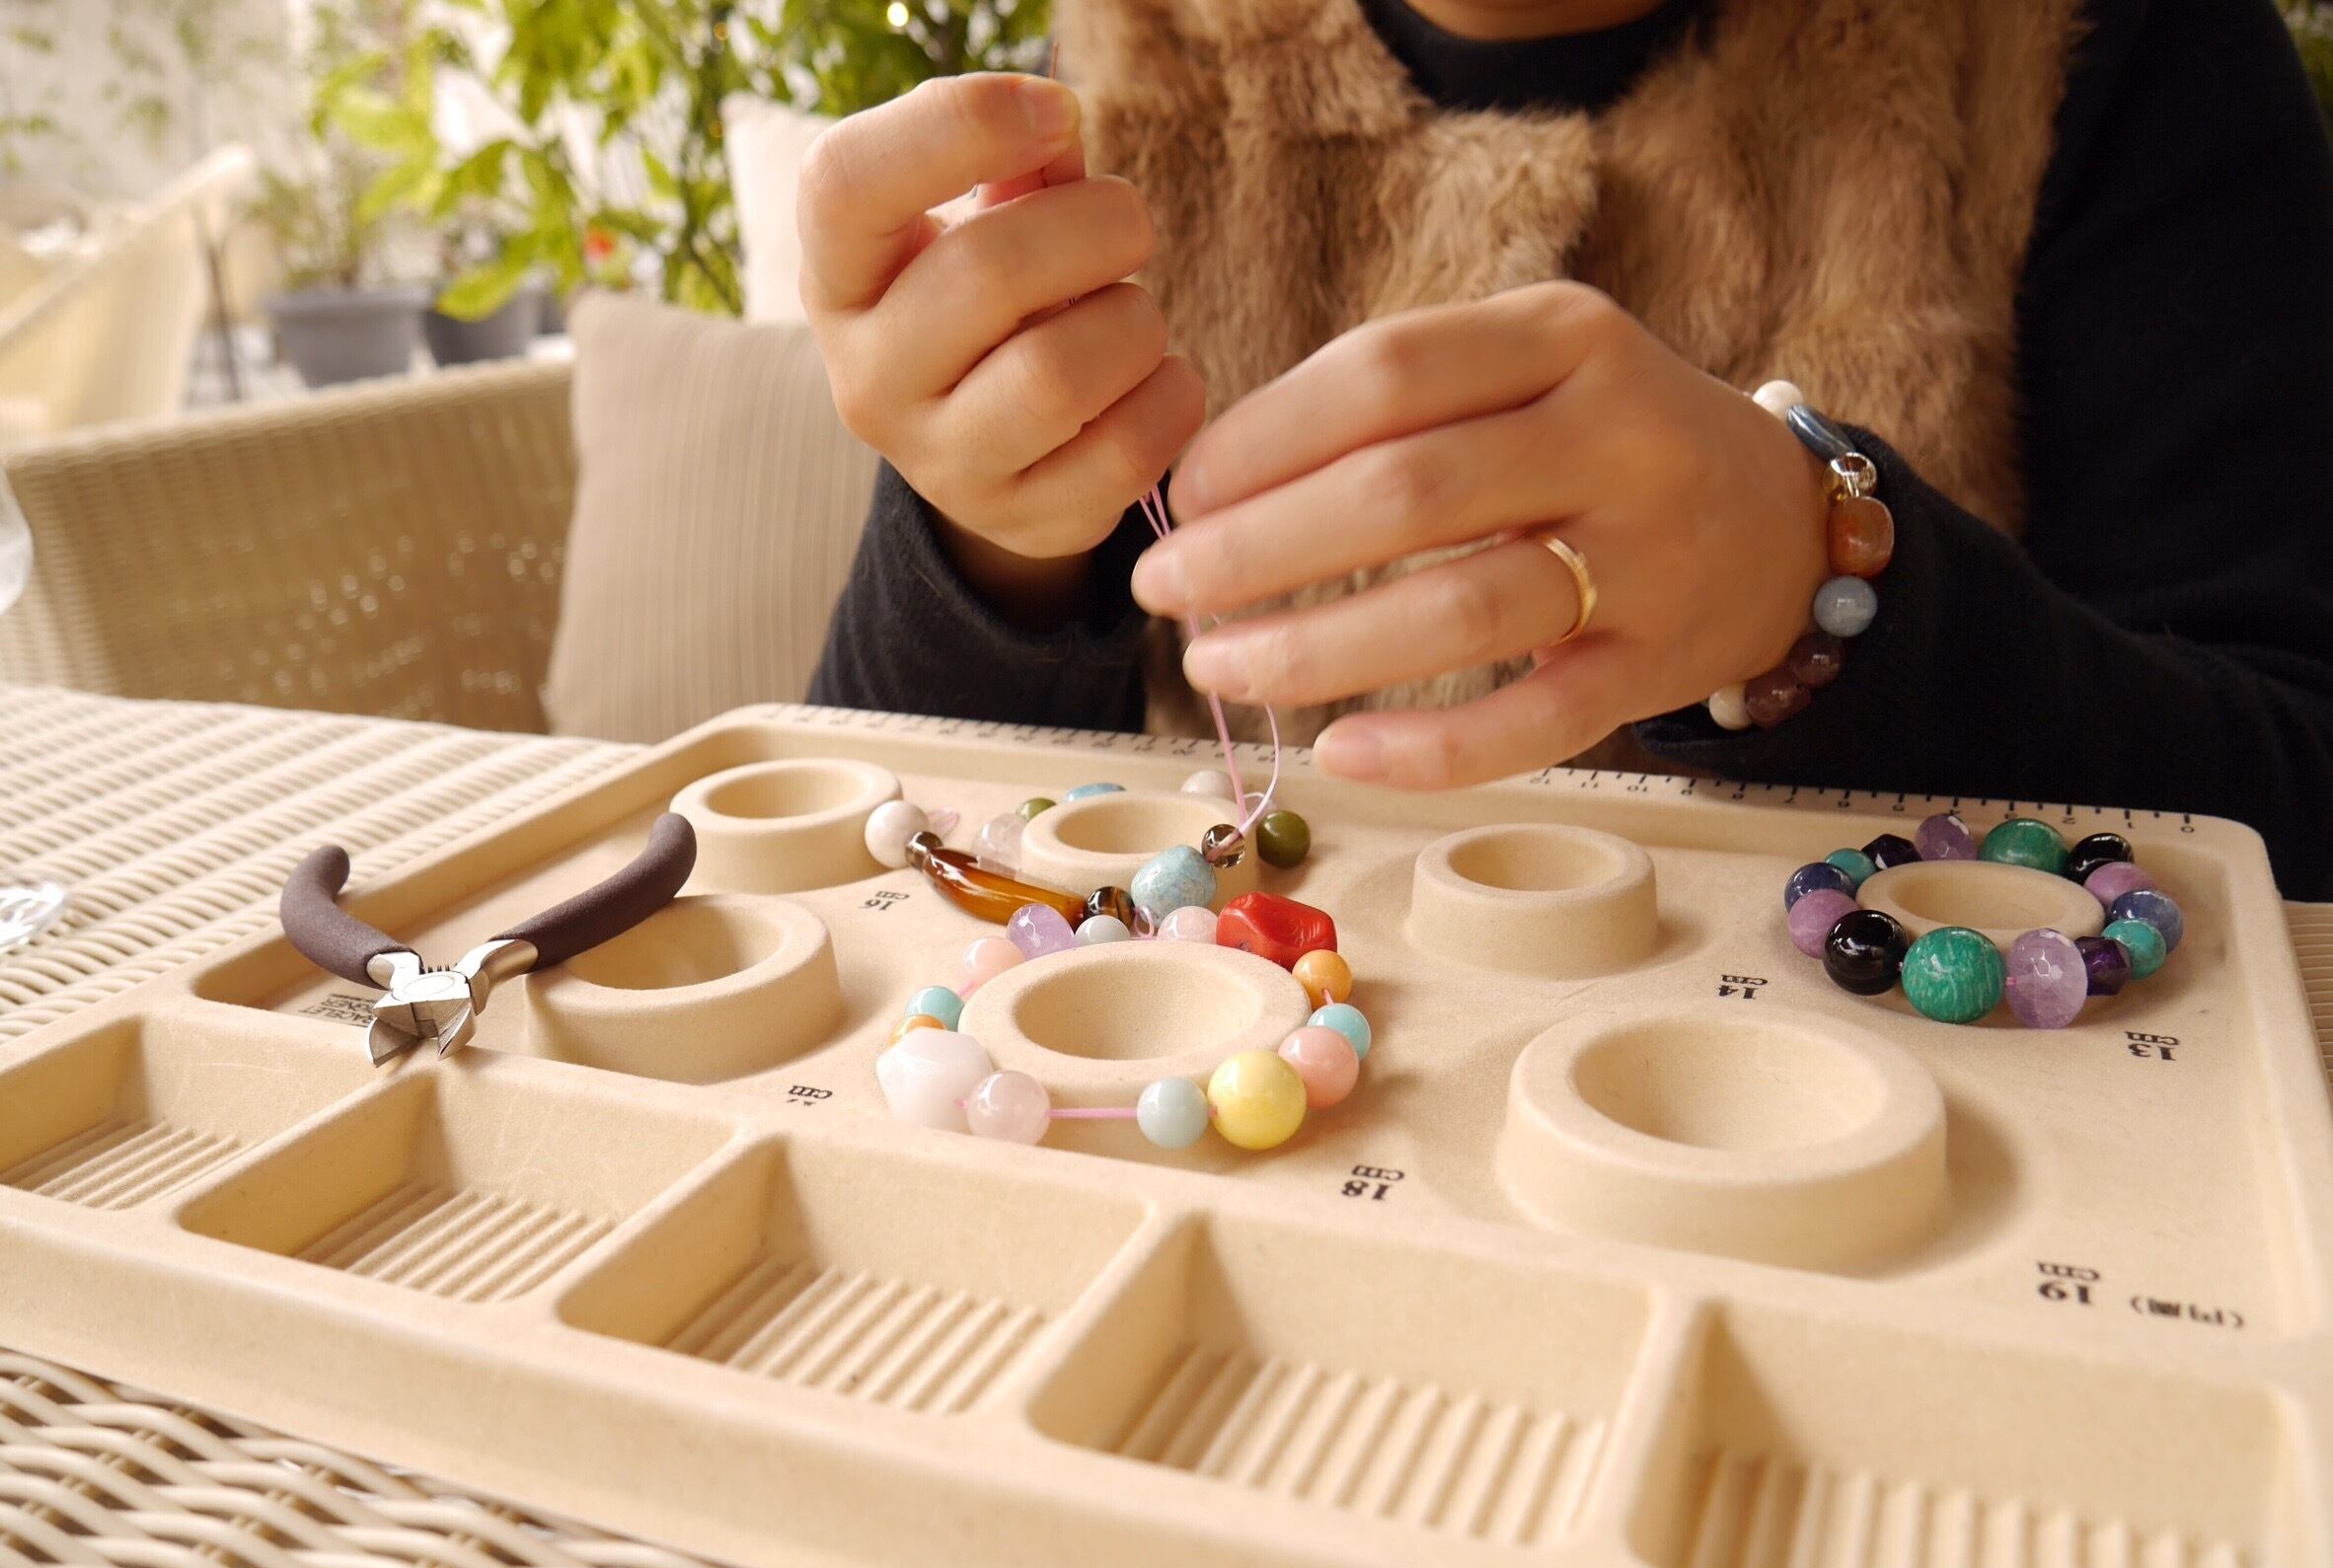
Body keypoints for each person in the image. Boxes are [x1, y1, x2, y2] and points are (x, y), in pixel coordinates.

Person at [800, 0, 2333, 898]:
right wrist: (991, 535)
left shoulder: (2097, 52)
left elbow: (2297, 819)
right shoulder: (1128, 68)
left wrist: (1830, 585)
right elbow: (869, 854)